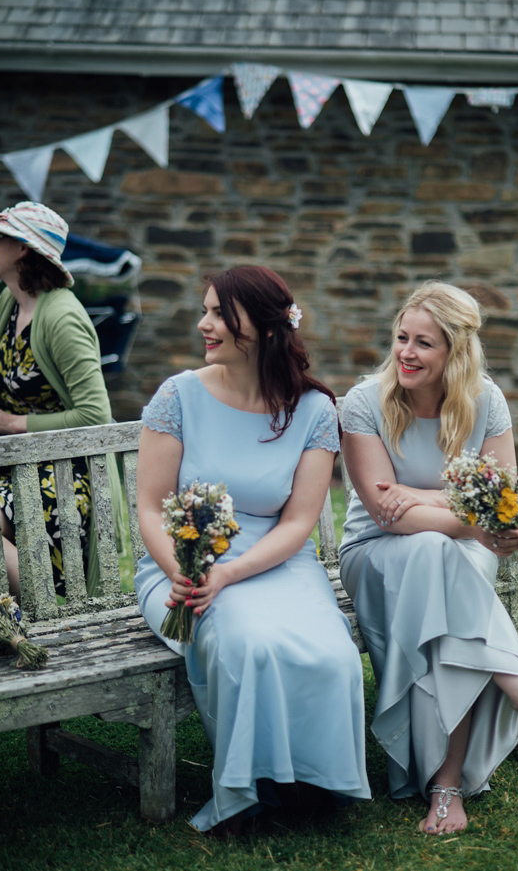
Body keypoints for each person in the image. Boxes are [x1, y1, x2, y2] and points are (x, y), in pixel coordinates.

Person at [338, 280, 518, 835]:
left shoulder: (486, 401)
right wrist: (473, 522)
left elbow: (504, 494)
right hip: (374, 555)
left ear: (455, 350)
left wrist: (429, 498)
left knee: (445, 561)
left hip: (460, 550)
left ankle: (447, 783)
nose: (405, 352)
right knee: (434, 550)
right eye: (401, 338)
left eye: (423, 343)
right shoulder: (362, 404)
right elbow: (387, 515)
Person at [133, 265, 370, 834]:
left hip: (277, 562)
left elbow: (298, 523)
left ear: (264, 329)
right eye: (206, 310)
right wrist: (186, 574)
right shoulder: (178, 396)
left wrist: (234, 571)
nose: (203, 323)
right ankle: (249, 786)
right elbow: (149, 507)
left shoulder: (312, 411)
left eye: (219, 314)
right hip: (184, 562)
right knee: (246, 641)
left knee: (333, 653)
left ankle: (314, 783)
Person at [0, 201, 113, 597]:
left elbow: (96, 416)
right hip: (14, 467)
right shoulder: (8, 303)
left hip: (60, 478)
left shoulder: (62, 317)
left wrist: (12, 424)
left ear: (24, 248)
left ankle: (40, 608)